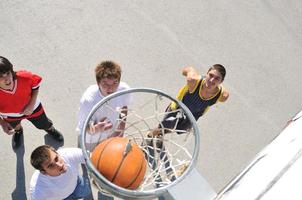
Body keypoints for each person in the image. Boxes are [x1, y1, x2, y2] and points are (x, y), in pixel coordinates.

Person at [0, 56, 63, 149]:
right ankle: (18, 132)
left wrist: (31, 104)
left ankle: (50, 129)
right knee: (16, 126)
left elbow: (35, 86)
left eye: (8, 73)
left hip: (34, 109)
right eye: (1, 76)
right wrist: (2, 123)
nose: (7, 79)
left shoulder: (24, 77)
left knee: (43, 123)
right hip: (10, 117)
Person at [151, 64, 229, 136]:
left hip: (194, 114)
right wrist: (191, 72)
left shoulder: (222, 96)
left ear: (221, 81)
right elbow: (186, 70)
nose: (212, 80)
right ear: (206, 74)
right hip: (179, 106)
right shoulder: (193, 80)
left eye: (217, 78)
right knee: (166, 125)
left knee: (180, 130)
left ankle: (161, 134)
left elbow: (223, 93)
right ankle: (150, 135)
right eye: (211, 75)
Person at [77, 60, 131, 150]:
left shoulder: (124, 90)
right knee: (89, 160)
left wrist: (120, 130)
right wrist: (96, 128)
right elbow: (83, 127)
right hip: (91, 139)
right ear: (98, 83)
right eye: (105, 83)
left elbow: (124, 107)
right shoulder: (88, 100)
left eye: (115, 83)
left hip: (112, 133)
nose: (110, 88)